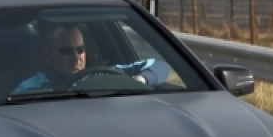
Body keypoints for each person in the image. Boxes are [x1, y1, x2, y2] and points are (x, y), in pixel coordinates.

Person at [13, 23, 170, 93]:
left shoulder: (102, 75)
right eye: (66, 51)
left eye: (80, 50)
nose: (76, 58)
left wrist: (140, 80)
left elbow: (159, 65)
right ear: (48, 55)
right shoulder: (29, 88)